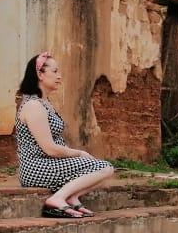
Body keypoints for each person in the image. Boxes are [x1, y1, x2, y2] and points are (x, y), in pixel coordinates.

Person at [15, 51, 115, 218]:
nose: (59, 76)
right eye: (54, 72)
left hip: (50, 164)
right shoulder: (33, 105)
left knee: (99, 170)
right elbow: (49, 149)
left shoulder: (45, 103)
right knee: (104, 167)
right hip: (36, 167)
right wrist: (79, 153)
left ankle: (71, 196)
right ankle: (57, 198)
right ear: (40, 74)